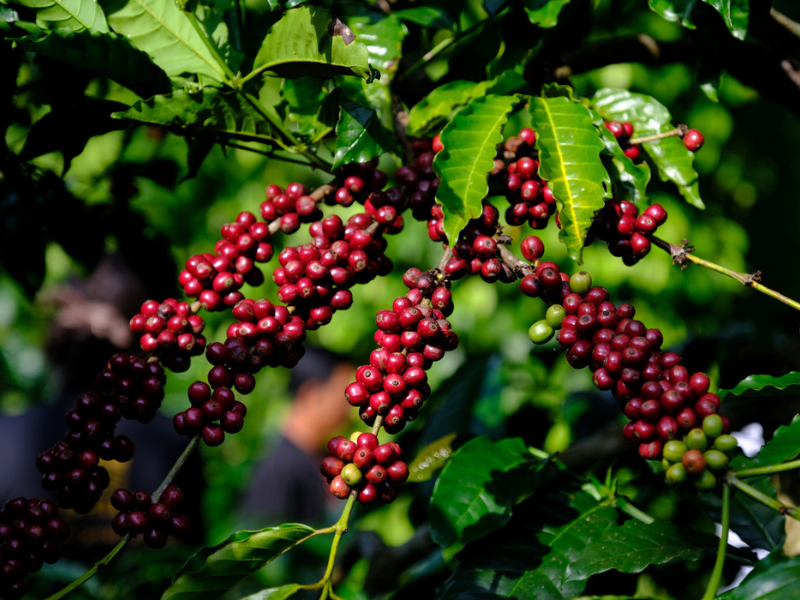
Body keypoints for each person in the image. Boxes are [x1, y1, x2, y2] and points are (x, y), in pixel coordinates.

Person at [238, 346, 355, 525]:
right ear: (312, 395)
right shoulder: (279, 470)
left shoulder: (320, 458)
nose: (349, 408)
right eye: (345, 396)